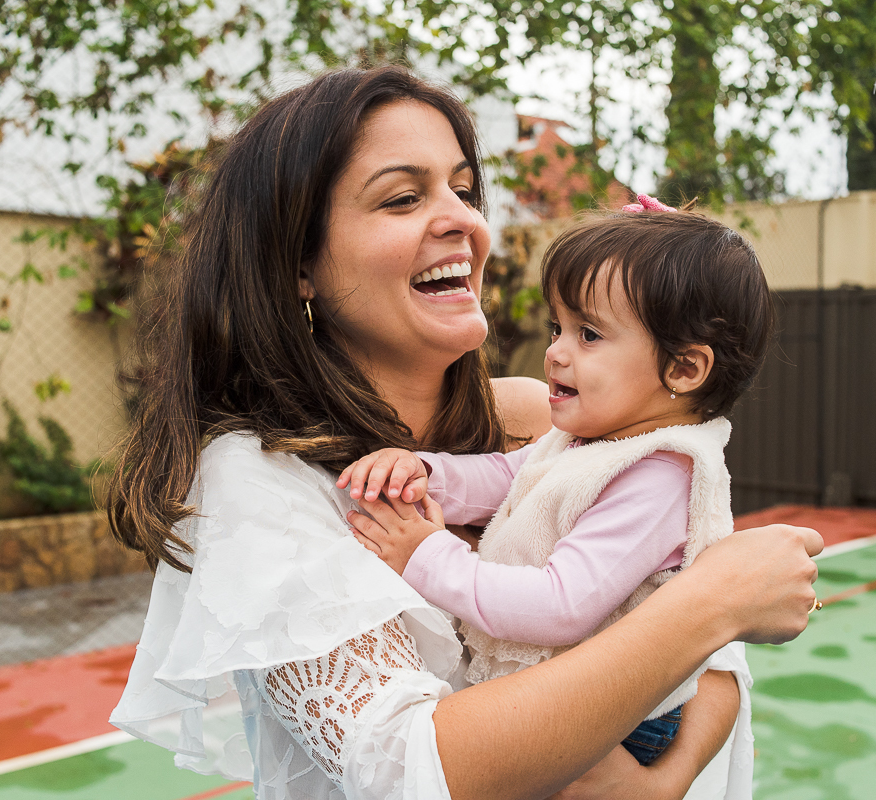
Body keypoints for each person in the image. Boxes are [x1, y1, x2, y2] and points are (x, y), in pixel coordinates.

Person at [106, 64, 822, 800]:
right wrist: (712, 603)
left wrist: (662, 779)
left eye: (465, 190)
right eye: (403, 197)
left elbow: (701, 646)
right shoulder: (261, 478)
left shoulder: (546, 422)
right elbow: (404, 768)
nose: (464, 221)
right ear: (297, 264)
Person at [338, 202, 772, 779]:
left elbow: (560, 605)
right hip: (562, 689)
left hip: (621, 728)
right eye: (557, 328)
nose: (556, 352)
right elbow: (506, 476)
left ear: (684, 369)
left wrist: (427, 556)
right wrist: (424, 473)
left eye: (588, 334)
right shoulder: (592, 438)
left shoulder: (660, 477)